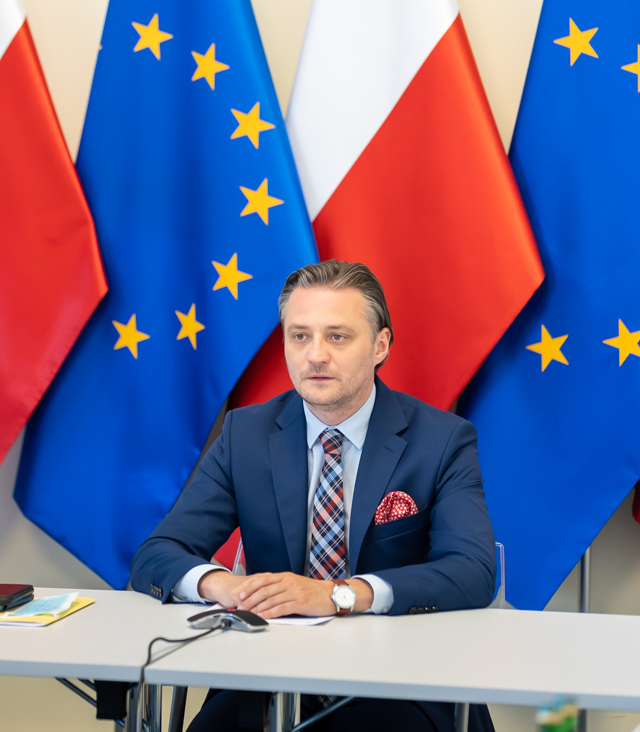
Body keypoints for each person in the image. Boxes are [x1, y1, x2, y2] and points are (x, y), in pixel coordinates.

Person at [129, 260, 497, 732]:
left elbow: (472, 571)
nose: (315, 355)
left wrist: (338, 595)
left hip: (401, 680)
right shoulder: (245, 434)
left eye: (337, 336)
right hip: (265, 675)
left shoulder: (442, 439)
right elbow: (157, 554)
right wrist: (227, 588)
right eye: (300, 336)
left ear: (380, 345)